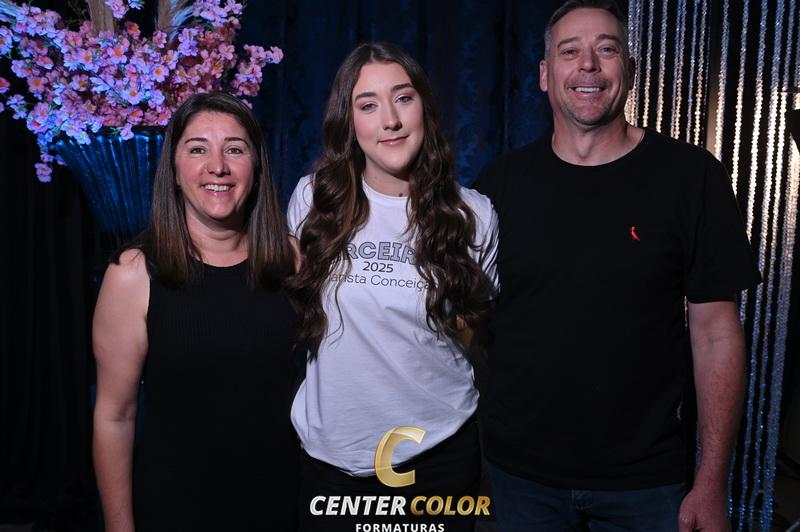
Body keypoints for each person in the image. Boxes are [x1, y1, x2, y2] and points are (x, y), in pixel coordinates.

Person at [473, 1, 762, 531]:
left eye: (606, 49)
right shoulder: (499, 185)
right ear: (545, 74)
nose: (588, 64)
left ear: (628, 71)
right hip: (520, 478)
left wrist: (712, 481)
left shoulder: (691, 177)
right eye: (570, 52)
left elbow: (716, 334)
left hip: (647, 482)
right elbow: (470, 322)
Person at [286, 42, 498, 531]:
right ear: (348, 122)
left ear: (425, 107)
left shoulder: (473, 215)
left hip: (437, 456)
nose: (391, 121)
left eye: (403, 98)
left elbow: (479, 329)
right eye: (368, 105)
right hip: (331, 461)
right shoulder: (312, 201)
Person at [92, 92, 299, 532]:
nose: (217, 166)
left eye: (235, 149)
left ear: (257, 166)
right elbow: (114, 416)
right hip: (174, 510)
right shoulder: (132, 275)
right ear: (174, 169)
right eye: (198, 149)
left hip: (285, 508)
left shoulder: (295, 262)